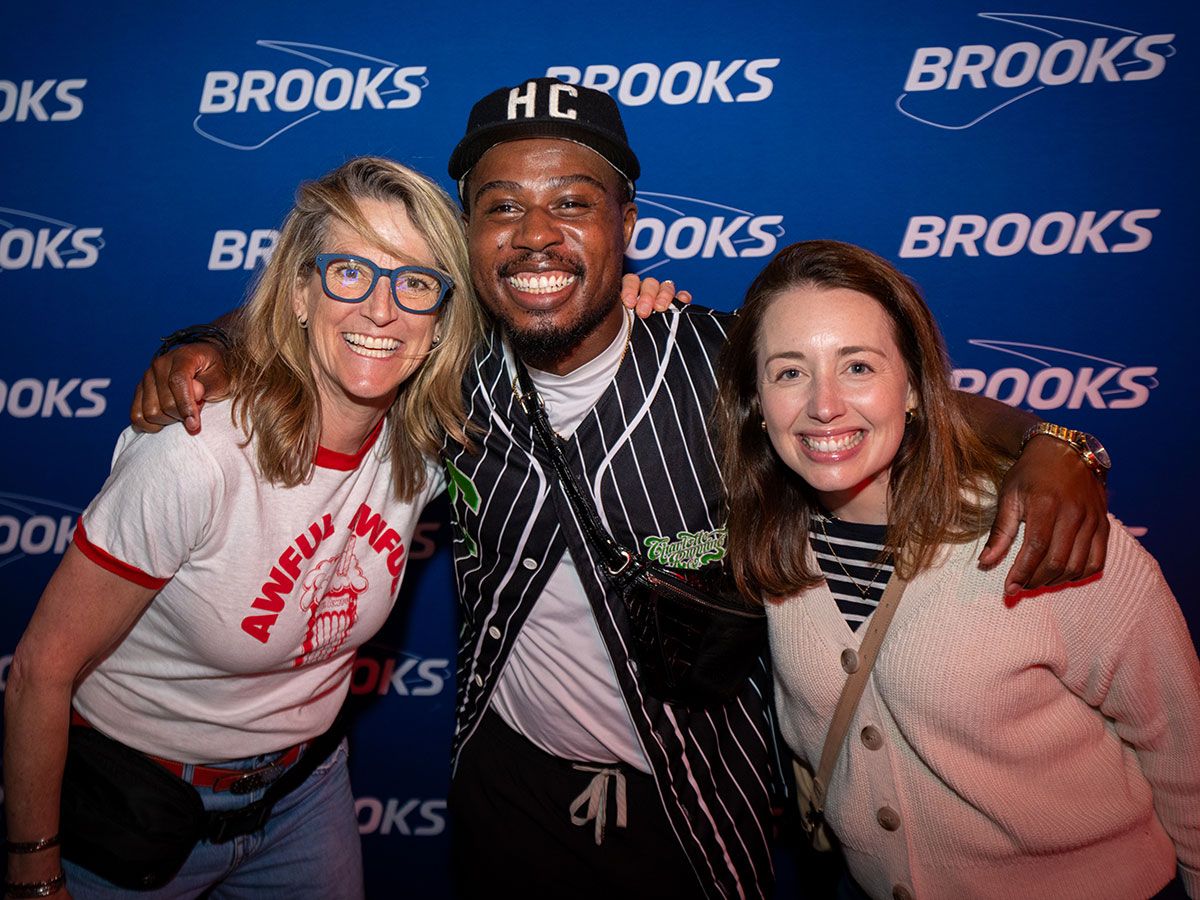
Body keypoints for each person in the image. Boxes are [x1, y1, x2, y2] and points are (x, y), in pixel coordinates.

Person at [128, 79, 1109, 899]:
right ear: (467, 241)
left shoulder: (727, 359)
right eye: (502, 206)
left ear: (627, 224)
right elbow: (316, 312)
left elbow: (912, 402)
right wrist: (206, 344)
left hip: (698, 797)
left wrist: (1055, 440)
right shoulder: (440, 366)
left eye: (573, 203)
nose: (536, 234)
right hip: (508, 785)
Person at [2, 156, 486, 899]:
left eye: (415, 282)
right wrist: (33, 873)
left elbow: (561, 330)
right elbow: (40, 669)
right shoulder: (198, 453)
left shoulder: (422, 445)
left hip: (304, 797)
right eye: (349, 272)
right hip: (137, 808)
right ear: (298, 289)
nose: (382, 310)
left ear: (440, 315)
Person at [714, 239, 1200, 900]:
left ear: (913, 386)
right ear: (758, 399)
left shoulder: (1048, 533)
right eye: (790, 372)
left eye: (858, 366)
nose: (824, 404)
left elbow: (1185, 760)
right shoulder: (767, 544)